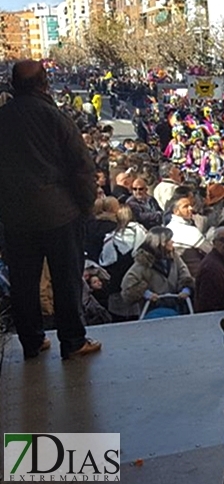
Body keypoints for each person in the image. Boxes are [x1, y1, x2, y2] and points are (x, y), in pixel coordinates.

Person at [0, 60, 100, 359]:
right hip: (60, 214)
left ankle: (32, 341)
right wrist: (85, 205)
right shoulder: (55, 117)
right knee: (66, 278)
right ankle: (73, 341)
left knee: (23, 281)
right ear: (45, 82)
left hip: (16, 216)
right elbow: (82, 166)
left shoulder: (2, 119)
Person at [117, 227, 195, 320]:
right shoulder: (143, 262)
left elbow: (184, 274)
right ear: (160, 243)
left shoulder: (174, 258)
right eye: (169, 240)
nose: (172, 242)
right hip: (152, 311)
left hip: (178, 308)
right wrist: (146, 293)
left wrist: (186, 289)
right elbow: (128, 285)